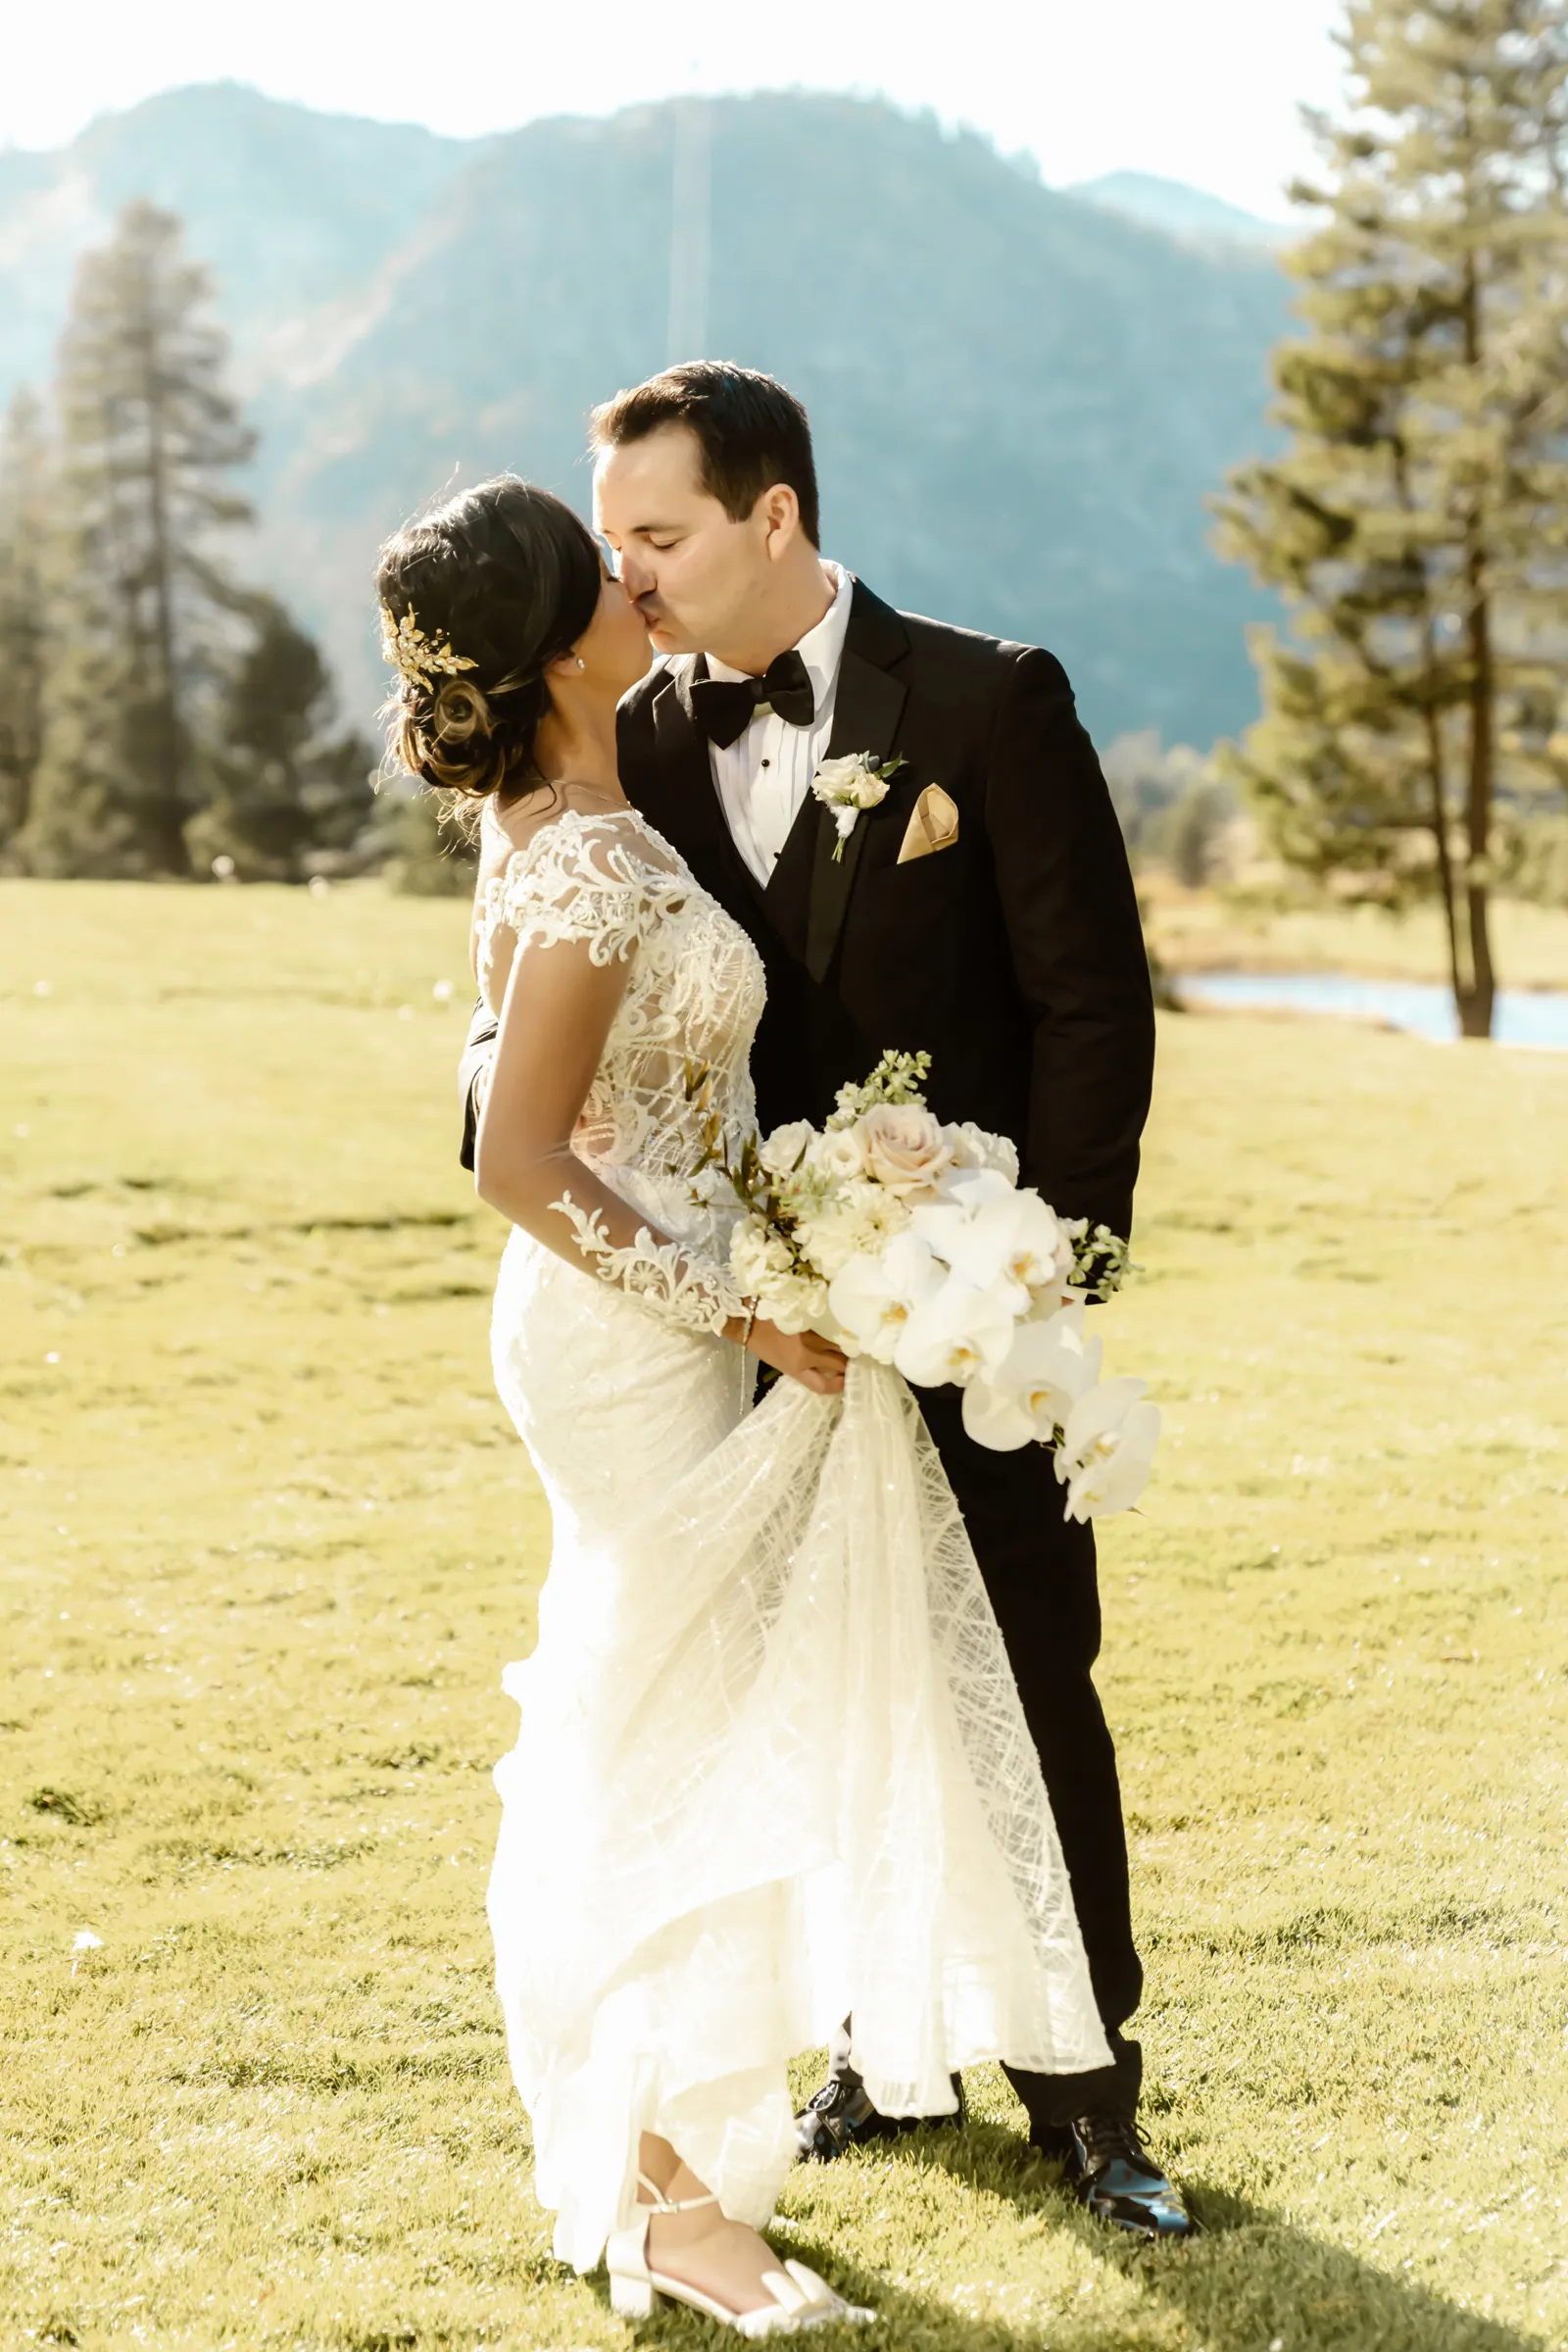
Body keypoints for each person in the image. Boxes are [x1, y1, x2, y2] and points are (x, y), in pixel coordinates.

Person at [461, 365, 1190, 2241]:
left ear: (773, 513)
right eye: (609, 538)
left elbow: (1092, 1006)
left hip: (956, 1297)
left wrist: (1040, 1271)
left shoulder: (990, 703)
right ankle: (874, 2045)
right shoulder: (626, 738)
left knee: (1026, 1676)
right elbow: (524, 1017)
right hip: (739, 1325)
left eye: (658, 534)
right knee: (809, 1688)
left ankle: (1090, 2097)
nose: (627, 574)